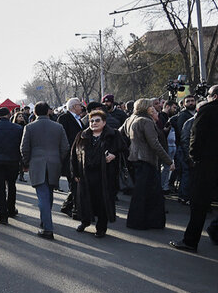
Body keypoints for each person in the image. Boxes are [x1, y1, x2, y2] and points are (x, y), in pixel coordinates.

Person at [170, 86, 218, 252]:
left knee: (199, 204)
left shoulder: (207, 111)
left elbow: (195, 137)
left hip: (206, 164)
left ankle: (190, 241)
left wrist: (194, 158)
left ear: (214, 96)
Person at [119, 99, 173, 230]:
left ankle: (138, 222)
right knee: (149, 193)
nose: (153, 108)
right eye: (151, 106)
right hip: (146, 160)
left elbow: (119, 134)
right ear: (146, 108)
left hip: (135, 159)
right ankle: (147, 222)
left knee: (141, 193)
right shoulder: (146, 121)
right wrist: (169, 161)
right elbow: (154, 144)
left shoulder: (131, 119)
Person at [71, 109, 124, 237]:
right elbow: (73, 155)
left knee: (102, 202)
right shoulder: (81, 135)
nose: (94, 123)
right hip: (85, 175)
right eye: (91, 121)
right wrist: (75, 173)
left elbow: (124, 150)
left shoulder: (114, 135)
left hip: (105, 175)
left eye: (97, 120)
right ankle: (85, 221)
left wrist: (114, 155)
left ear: (104, 122)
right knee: (85, 200)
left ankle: (101, 227)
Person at [20, 102, 69, 240]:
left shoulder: (29, 127)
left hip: (37, 163)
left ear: (34, 112)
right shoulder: (58, 127)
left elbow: (24, 148)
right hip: (54, 163)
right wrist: (58, 159)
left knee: (42, 196)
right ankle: (45, 219)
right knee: (49, 193)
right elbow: (65, 147)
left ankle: (47, 228)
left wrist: (27, 161)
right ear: (48, 111)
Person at [58, 98, 86, 218]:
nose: (82, 107)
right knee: (74, 183)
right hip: (70, 156)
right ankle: (74, 209)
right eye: (80, 105)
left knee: (77, 184)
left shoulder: (79, 119)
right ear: (74, 107)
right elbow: (63, 138)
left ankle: (68, 206)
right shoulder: (64, 118)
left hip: (79, 154)